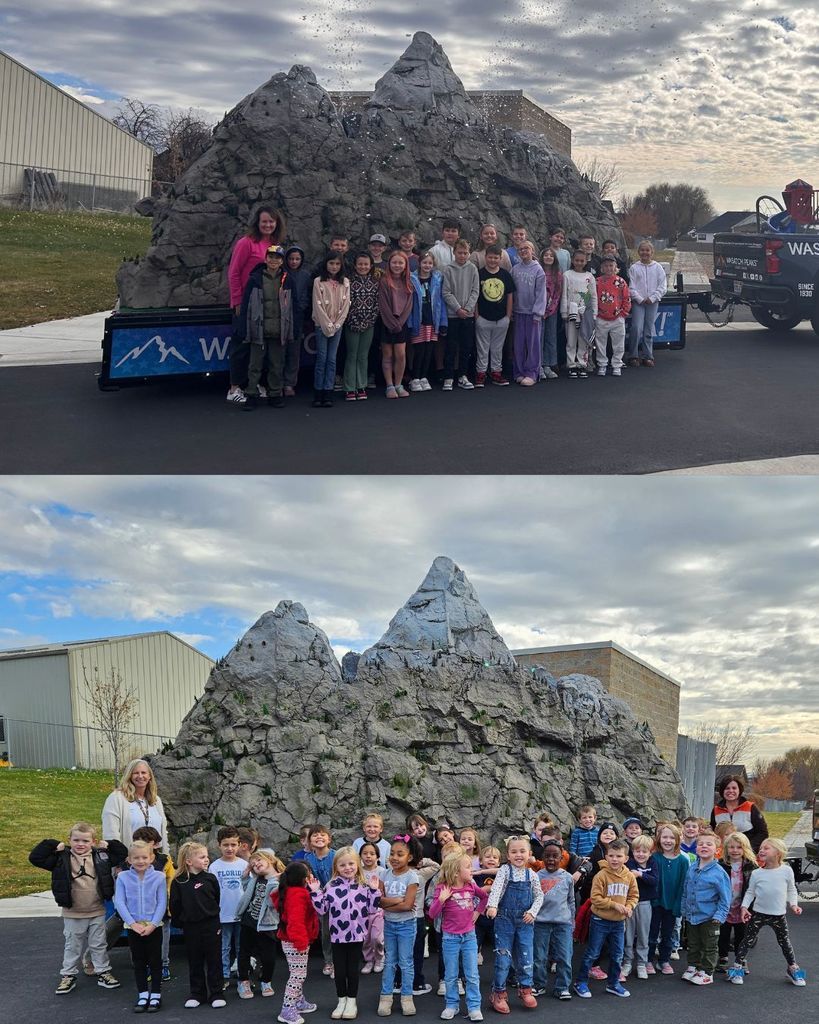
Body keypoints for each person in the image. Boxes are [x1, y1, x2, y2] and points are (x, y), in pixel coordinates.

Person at [29, 821, 126, 995]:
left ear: (93, 842)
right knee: (72, 945)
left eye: (85, 841)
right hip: (73, 911)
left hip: (97, 909)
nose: (80, 844)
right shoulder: (61, 858)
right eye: (76, 840)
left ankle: (103, 971)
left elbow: (122, 853)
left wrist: (109, 844)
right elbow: (35, 858)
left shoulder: (101, 856)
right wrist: (52, 844)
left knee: (99, 944)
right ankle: (68, 975)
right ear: (69, 840)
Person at [310, 846, 382, 1020]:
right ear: (336, 867)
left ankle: (352, 1001)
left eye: (351, 864)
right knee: (340, 971)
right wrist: (315, 892)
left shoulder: (363, 886)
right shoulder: (330, 886)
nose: (347, 868)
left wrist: (374, 890)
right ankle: (341, 1000)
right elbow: (322, 910)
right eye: (343, 865)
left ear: (357, 864)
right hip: (337, 936)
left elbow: (372, 909)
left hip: (357, 935)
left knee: (352, 971)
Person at [226, 206, 286, 402]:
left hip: (266, 306)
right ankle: (234, 387)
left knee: (260, 348)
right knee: (242, 345)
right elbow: (234, 272)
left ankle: (254, 384)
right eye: (264, 221)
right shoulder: (246, 243)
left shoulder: (274, 245)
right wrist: (237, 300)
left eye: (271, 221)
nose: (268, 225)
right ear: (257, 222)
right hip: (246, 303)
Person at [729, 837, 805, 987]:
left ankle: (793, 969)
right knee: (747, 941)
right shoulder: (757, 873)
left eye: (766, 848)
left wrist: (794, 904)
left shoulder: (787, 870)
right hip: (758, 914)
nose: (761, 850)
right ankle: (736, 968)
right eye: (761, 848)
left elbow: (791, 889)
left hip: (779, 916)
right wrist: (744, 907)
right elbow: (750, 892)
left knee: (785, 942)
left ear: (778, 853)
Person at [573, 839, 638, 999]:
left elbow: (634, 895)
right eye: (611, 855)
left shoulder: (629, 876)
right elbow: (595, 898)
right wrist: (614, 905)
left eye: (618, 856)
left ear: (626, 858)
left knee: (617, 954)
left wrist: (629, 906)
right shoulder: (601, 875)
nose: (614, 859)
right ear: (606, 857)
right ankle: (580, 982)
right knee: (592, 952)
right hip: (600, 921)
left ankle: (613, 983)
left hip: (619, 923)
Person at [485, 835, 543, 1012]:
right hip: (504, 919)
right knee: (504, 957)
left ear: (529, 854)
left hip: (524, 921)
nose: (518, 855)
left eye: (522, 851)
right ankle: (498, 992)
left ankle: (525, 988)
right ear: (508, 855)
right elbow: (496, 888)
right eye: (514, 852)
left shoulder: (532, 874)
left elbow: (540, 895)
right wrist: (492, 905)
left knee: (526, 956)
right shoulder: (504, 870)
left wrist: (533, 912)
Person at [428, 852, 488, 1021]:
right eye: (468, 867)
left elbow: (483, 897)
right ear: (455, 871)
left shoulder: (470, 885)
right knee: (451, 974)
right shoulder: (443, 888)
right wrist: (441, 899)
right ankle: (451, 1005)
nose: (471, 869)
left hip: (469, 936)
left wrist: (478, 912)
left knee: (472, 974)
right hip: (450, 938)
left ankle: (474, 1006)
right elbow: (432, 914)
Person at [233, 245, 294, 408]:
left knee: (276, 364)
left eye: (278, 257)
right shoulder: (255, 278)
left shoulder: (287, 279)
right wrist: (243, 326)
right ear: (265, 258)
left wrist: (291, 329)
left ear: (282, 261)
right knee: (255, 365)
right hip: (258, 328)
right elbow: (246, 304)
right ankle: (251, 394)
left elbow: (294, 307)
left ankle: (275, 394)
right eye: (271, 257)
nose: (274, 260)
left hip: (279, 329)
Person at [169, 841, 226, 1009]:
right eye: (202, 857)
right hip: (191, 927)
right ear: (188, 861)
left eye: (207, 856)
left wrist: (211, 916)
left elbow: (216, 898)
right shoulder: (178, 881)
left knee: (214, 959)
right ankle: (197, 993)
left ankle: (216, 993)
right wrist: (182, 922)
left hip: (211, 924)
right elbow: (175, 905)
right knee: (195, 960)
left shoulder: (210, 878)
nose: (206, 859)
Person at [114, 839, 167, 1012]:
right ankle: (143, 993)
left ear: (151, 858)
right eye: (136, 858)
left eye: (144, 857)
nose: (140, 861)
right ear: (129, 860)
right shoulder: (123, 877)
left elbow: (161, 903)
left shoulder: (159, 877)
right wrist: (132, 923)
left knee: (155, 960)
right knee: (138, 961)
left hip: (154, 926)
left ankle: (156, 994)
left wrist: (152, 924)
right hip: (134, 926)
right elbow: (120, 902)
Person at [377, 836, 422, 1017]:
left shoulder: (412, 876)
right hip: (389, 924)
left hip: (406, 925)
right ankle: (385, 997)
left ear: (409, 857)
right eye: (392, 854)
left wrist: (388, 902)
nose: (394, 857)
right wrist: (396, 900)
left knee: (406, 962)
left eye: (400, 854)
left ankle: (407, 997)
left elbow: (408, 905)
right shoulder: (383, 874)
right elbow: (377, 901)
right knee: (389, 961)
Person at [679, 831, 731, 985]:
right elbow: (685, 891)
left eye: (709, 844)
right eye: (701, 844)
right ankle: (694, 966)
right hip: (692, 915)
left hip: (710, 917)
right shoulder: (692, 868)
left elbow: (725, 897)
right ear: (696, 848)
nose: (704, 846)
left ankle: (707, 972)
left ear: (717, 850)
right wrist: (683, 910)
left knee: (709, 946)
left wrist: (720, 916)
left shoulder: (719, 873)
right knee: (693, 943)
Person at [273, 860, 320, 1024]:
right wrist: (301, 943)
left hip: (289, 939)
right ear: (303, 879)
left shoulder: (288, 892)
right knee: (298, 976)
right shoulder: (298, 895)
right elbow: (296, 922)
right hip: (295, 941)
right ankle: (287, 1009)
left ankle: (299, 1002)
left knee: (297, 972)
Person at [235, 848, 284, 1000]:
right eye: (253, 863)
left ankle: (266, 980)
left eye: (258, 860)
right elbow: (249, 894)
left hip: (267, 924)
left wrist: (273, 881)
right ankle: (243, 981)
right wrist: (245, 879)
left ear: (270, 859)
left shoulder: (280, 880)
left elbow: (271, 902)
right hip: (248, 921)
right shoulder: (255, 879)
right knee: (244, 953)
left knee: (268, 957)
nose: (255, 864)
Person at [532, 839, 574, 1001]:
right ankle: (539, 984)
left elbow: (571, 901)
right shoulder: (536, 877)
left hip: (563, 924)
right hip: (540, 923)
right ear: (542, 857)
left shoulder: (568, 878)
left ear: (561, 857)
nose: (551, 859)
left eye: (555, 856)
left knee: (564, 956)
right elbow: (532, 899)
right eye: (547, 856)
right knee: (539, 957)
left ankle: (562, 987)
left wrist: (572, 923)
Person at [133, 825, 174, 983]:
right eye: (137, 842)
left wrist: (169, 905)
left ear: (156, 844)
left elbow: (170, 882)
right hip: (139, 910)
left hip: (161, 907)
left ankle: (163, 964)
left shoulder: (164, 860)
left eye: (146, 842)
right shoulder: (132, 861)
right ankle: (145, 965)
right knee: (140, 937)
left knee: (163, 937)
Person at [647, 822, 689, 976]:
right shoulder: (655, 858)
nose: (668, 840)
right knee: (651, 935)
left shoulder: (683, 861)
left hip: (672, 905)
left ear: (678, 840)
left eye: (672, 837)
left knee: (667, 934)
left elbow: (683, 885)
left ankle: (664, 960)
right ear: (659, 838)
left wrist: (679, 905)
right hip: (655, 903)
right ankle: (648, 960)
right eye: (664, 837)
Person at [102, 759, 169, 854]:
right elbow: (111, 833)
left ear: (150, 776)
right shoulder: (116, 798)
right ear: (129, 776)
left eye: (144, 773)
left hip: (155, 859)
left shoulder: (156, 800)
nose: (140, 776)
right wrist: (119, 861)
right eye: (136, 773)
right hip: (129, 860)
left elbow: (163, 833)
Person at [312, 252, 351, 408]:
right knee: (321, 358)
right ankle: (318, 391)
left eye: (337, 264)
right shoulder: (318, 282)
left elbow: (345, 306)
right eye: (331, 263)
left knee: (332, 359)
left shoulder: (345, 282)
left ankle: (328, 390)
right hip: (321, 325)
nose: (334, 267)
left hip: (337, 326)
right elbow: (318, 305)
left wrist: (337, 324)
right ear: (326, 264)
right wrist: (328, 325)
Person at [209, 826, 246, 990]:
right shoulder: (215, 867)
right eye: (226, 845)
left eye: (233, 844)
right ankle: (223, 976)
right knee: (223, 947)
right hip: (222, 914)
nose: (229, 848)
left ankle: (242, 975)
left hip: (241, 914)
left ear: (239, 845)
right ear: (219, 845)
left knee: (241, 947)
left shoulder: (245, 865)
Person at [473, 245, 515, 388]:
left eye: (495, 258)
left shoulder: (505, 275)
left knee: (497, 347)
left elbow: (510, 295)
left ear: (500, 258)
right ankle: (481, 372)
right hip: (483, 317)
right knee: (482, 347)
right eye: (490, 257)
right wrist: (477, 315)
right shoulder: (479, 274)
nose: (492, 260)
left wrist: (508, 316)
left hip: (501, 318)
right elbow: (475, 296)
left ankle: (496, 372)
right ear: (485, 258)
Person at [440, 239, 479, 391]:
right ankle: (449, 376)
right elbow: (446, 292)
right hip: (453, 315)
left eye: (465, 253)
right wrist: (458, 309)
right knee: (451, 347)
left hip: (468, 316)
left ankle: (463, 375)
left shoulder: (473, 269)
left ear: (469, 253)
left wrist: (468, 309)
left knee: (466, 347)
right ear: (454, 252)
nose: (462, 256)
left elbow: (476, 291)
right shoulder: (448, 269)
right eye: (459, 253)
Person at [407, 251, 447, 392]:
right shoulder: (412, 279)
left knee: (429, 350)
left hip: (432, 320)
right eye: (424, 262)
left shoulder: (437, 278)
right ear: (419, 264)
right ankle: (415, 377)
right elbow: (409, 304)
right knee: (419, 350)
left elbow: (440, 302)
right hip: (419, 320)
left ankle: (424, 377)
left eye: (430, 263)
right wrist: (410, 323)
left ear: (433, 264)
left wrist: (443, 322)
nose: (427, 265)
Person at [717, 831, 756, 974]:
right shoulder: (721, 865)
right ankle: (723, 957)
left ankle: (741, 959)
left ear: (745, 848)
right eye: (731, 847)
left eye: (739, 847)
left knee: (742, 935)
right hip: (724, 906)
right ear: (726, 848)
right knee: (723, 934)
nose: (735, 850)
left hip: (743, 907)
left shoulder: (751, 866)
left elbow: (755, 887)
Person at [343, 253, 381, 401]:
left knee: (363, 355)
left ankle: (361, 385)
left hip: (369, 323)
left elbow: (377, 304)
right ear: (355, 265)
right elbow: (345, 302)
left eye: (366, 264)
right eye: (360, 264)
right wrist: (352, 320)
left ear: (371, 266)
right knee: (352, 355)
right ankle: (349, 387)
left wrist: (370, 320)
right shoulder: (348, 281)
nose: (363, 267)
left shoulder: (375, 282)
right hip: (352, 323)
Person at [621, 834, 658, 981]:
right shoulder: (629, 863)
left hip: (645, 903)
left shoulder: (653, 863)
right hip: (629, 903)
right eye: (637, 851)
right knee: (628, 934)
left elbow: (654, 881)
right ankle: (627, 962)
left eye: (644, 852)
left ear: (650, 852)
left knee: (643, 934)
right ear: (633, 851)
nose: (641, 854)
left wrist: (640, 874)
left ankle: (642, 963)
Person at [378, 251, 414, 400]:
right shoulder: (384, 281)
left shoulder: (408, 282)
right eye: (394, 262)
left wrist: (400, 322)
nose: (397, 265)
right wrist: (392, 323)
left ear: (405, 265)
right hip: (387, 323)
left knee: (400, 355)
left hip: (402, 324)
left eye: (400, 263)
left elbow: (408, 305)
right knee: (388, 355)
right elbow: (383, 304)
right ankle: (389, 385)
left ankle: (399, 384)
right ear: (389, 264)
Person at [510, 241, 546, 386]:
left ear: (532, 251)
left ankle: (532, 372)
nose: (523, 250)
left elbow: (541, 293)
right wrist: (511, 309)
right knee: (518, 344)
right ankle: (519, 372)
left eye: (526, 248)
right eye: (521, 249)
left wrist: (538, 312)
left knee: (532, 344)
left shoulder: (538, 270)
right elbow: (511, 292)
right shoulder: (515, 269)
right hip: (518, 311)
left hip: (532, 313)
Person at [626, 241, 666, 368]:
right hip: (639, 302)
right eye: (642, 250)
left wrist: (653, 298)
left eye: (647, 250)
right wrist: (639, 298)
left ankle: (648, 356)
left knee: (649, 328)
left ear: (652, 252)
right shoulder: (634, 268)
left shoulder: (658, 268)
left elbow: (663, 286)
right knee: (636, 328)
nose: (645, 253)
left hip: (652, 302)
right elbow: (631, 287)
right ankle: (633, 355)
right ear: (638, 252)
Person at [304, 824, 337, 976]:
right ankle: (328, 960)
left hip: (337, 898)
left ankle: (339, 960)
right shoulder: (308, 858)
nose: (319, 837)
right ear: (309, 841)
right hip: (319, 898)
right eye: (315, 835)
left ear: (329, 839)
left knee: (339, 930)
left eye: (322, 834)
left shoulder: (335, 855)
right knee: (325, 932)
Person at [561, 249, 597, 378]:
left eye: (582, 260)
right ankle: (571, 365)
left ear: (586, 261)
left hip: (585, 312)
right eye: (577, 260)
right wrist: (564, 312)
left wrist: (594, 314)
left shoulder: (589, 276)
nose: (579, 263)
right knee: (571, 340)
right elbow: (564, 294)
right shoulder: (567, 275)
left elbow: (593, 296)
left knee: (583, 339)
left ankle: (582, 363)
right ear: (572, 260)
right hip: (571, 311)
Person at [710, 775, 769, 853]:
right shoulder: (716, 810)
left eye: (734, 788)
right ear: (722, 791)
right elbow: (713, 832)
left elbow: (763, 833)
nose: (731, 791)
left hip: (748, 853)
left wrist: (747, 849)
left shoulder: (750, 807)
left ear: (739, 790)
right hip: (723, 854)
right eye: (727, 788)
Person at [594, 254, 631, 377]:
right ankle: (602, 364)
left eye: (611, 266)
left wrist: (624, 313)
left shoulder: (620, 282)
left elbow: (626, 298)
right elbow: (592, 298)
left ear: (615, 267)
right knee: (600, 343)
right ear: (602, 268)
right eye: (606, 266)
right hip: (601, 317)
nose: (609, 268)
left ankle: (616, 364)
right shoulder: (597, 282)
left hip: (617, 317)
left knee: (618, 343)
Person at [284, 246, 311, 396]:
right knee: (279, 352)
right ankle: (276, 383)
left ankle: (289, 384)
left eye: (297, 259)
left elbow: (306, 296)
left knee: (294, 352)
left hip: (297, 318)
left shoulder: (306, 275)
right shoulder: (281, 273)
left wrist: (299, 308)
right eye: (291, 259)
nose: (294, 262)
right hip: (280, 317)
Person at [360, 842, 386, 974]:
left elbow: (385, 891)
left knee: (377, 938)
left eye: (372, 853)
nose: (368, 856)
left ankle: (380, 958)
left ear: (378, 857)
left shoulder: (383, 872)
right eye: (365, 853)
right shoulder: (358, 872)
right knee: (366, 939)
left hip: (378, 911)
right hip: (362, 912)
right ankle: (369, 960)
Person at [539, 248, 562, 380]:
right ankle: (540, 363)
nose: (548, 257)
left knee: (550, 336)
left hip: (551, 310)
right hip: (538, 310)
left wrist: (550, 309)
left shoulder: (557, 274)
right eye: (546, 255)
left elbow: (557, 293)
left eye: (551, 256)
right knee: (539, 337)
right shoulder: (538, 271)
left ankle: (548, 364)